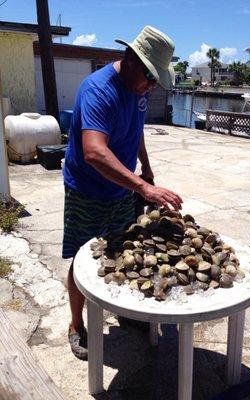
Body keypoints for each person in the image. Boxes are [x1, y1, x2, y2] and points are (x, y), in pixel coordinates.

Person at [62, 25, 183, 360]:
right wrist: (144, 186)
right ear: (130, 59)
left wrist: (147, 169)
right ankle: (76, 325)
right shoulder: (99, 91)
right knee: (82, 261)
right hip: (87, 190)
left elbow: (136, 130)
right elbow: (95, 152)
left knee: (121, 251)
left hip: (122, 191)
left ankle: (123, 312)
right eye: (150, 76)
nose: (152, 85)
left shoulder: (139, 88)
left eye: (156, 79)